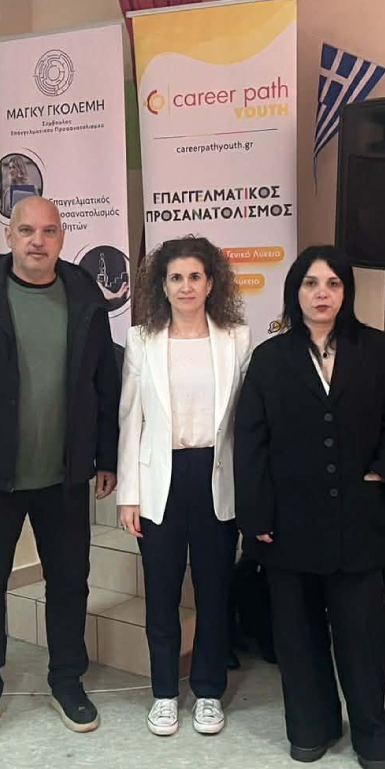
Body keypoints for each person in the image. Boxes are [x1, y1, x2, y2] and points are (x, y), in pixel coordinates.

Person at [0, 196, 120, 746]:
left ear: (62, 237)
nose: (38, 240)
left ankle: (67, 680)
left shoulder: (85, 297)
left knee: (70, 582)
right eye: (27, 230)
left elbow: (105, 383)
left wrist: (106, 456)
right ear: (9, 235)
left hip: (65, 476)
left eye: (49, 231)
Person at [234, 245, 385, 769]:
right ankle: (310, 725)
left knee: (364, 633)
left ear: (346, 292)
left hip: (360, 517)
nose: (322, 294)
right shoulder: (270, 357)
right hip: (289, 523)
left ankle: (371, 729)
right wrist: (256, 515)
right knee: (298, 633)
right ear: (295, 292)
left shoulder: (376, 348)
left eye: (333, 284)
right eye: (311, 283)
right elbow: (251, 442)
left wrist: (384, 469)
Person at [117, 237, 251, 736]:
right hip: (161, 481)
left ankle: (209, 691)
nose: (186, 286)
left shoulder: (237, 339)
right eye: (176, 277)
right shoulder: (141, 340)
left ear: (211, 283)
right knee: (162, 593)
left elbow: (246, 423)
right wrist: (129, 494)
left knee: (215, 591)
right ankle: (164, 694)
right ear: (163, 285)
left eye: (195, 276)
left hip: (217, 477)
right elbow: (130, 420)